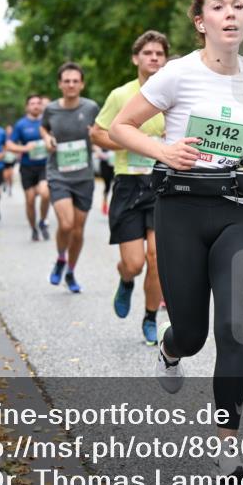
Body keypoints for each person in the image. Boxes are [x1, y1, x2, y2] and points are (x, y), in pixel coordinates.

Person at [110, 0, 243, 477]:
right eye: (218, 7)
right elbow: (122, 127)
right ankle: (171, 350)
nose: (230, 14)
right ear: (200, 22)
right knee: (192, 335)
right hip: (181, 212)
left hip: (241, 211)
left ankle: (227, 444)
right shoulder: (177, 74)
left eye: (237, 6)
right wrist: (164, 150)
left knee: (232, 329)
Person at [91, 30, 169, 344]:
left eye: (159, 54)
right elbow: (97, 133)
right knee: (134, 263)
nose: (154, 58)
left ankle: (150, 317)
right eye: (148, 53)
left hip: (162, 182)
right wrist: (130, 141)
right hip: (128, 183)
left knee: (157, 258)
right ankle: (125, 280)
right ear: (136, 58)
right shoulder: (121, 95)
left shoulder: (176, 94)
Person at [42, 63, 100, 293]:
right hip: (58, 174)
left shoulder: (91, 107)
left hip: (84, 177)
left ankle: (71, 272)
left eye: (75, 81)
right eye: (66, 81)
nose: (71, 85)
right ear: (60, 84)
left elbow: (101, 131)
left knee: (78, 231)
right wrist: (47, 139)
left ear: (82, 84)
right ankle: (60, 258)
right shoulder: (51, 109)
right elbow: (44, 128)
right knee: (66, 224)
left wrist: (96, 136)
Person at [8, 95, 51, 241]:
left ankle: (43, 221)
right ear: (27, 107)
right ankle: (33, 228)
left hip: (44, 165)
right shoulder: (21, 124)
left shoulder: (47, 122)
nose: (36, 106)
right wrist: (24, 148)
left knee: (45, 193)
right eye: (32, 103)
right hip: (27, 167)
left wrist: (51, 144)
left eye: (38, 103)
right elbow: (9, 145)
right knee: (30, 200)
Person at [95, 146, 115, 215]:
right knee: (107, 185)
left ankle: (113, 205)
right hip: (105, 165)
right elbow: (96, 149)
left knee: (116, 185)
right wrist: (102, 154)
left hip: (114, 165)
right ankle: (105, 203)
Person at [2, 123, 16, 196]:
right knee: (5, 175)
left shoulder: (14, 138)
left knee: (10, 175)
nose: (9, 131)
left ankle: (10, 188)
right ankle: (4, 183)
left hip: (12, 158)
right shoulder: (3, 138)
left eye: (10, 129)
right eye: (8, 129)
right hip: (4, 158)